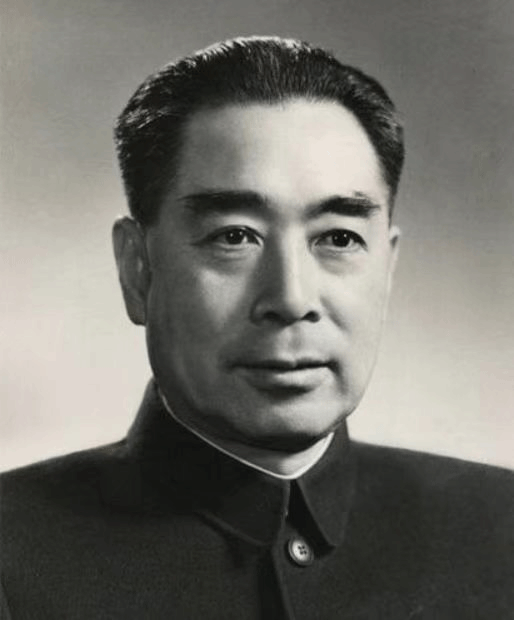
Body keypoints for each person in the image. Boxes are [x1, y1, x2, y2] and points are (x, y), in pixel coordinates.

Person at [1, 36, 513, 619]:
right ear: (137, 269)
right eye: (234, 236)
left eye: (339, 238)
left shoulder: (501, 529)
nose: (291, 299)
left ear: (387, 269)